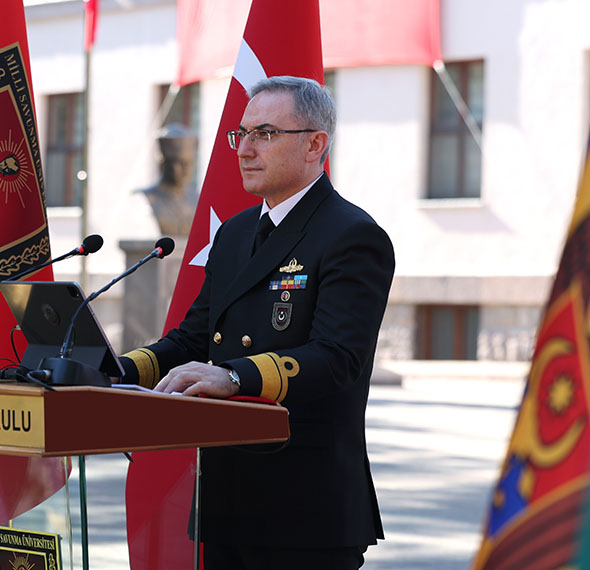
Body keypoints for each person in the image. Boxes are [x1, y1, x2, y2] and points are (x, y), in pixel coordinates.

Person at [119, 76, 394, 569]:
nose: (244, 149)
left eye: (265, 134)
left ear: (315, 144)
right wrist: (110, 368)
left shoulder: (351, 235)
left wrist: (233, 376)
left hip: (305, 506)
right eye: (241, 134)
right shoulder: (236, 232)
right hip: (229, 494)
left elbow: (337, 359)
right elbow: (193, 338)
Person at [139, 123, 200, 236]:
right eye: (180, 163)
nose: (186, 170)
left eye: (189, 163)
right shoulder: (144, 198)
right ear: (164, 163)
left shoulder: (196, 198)